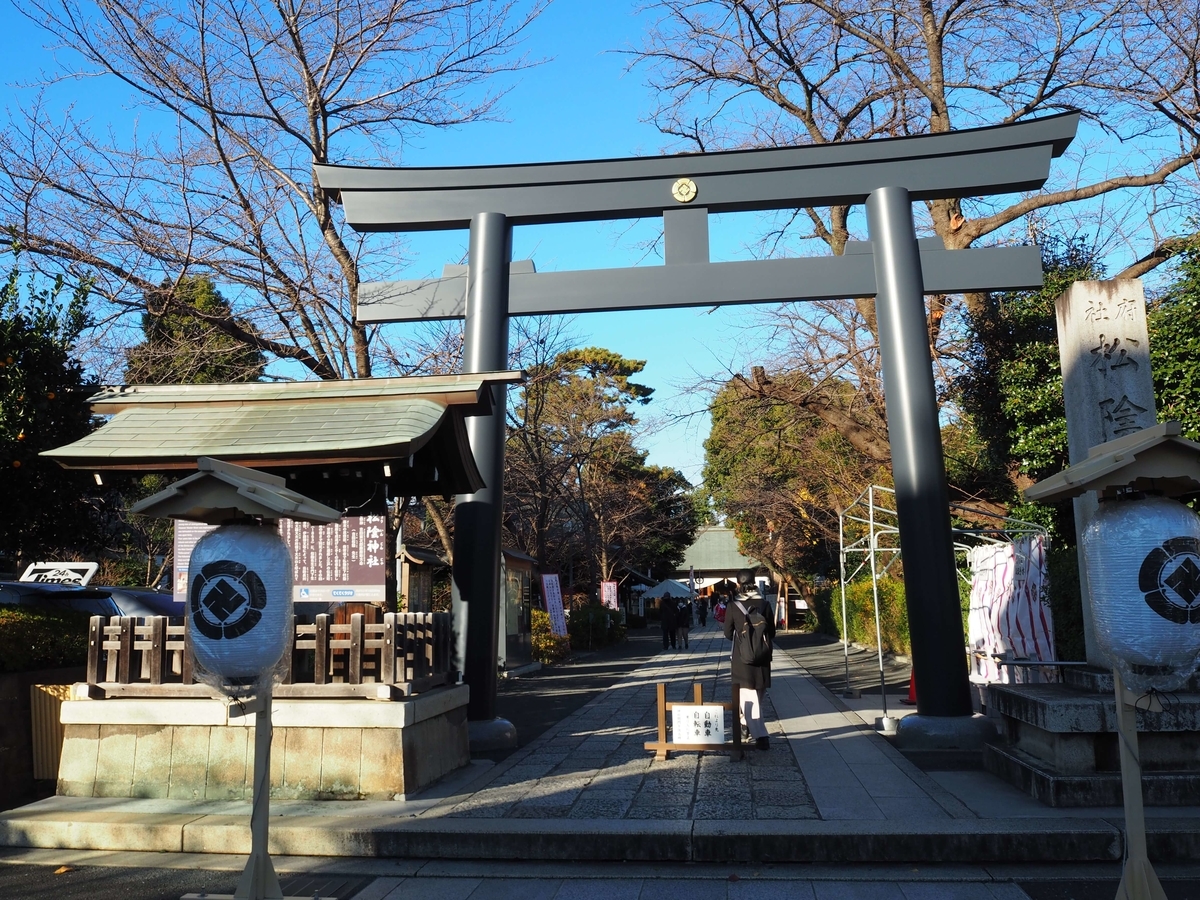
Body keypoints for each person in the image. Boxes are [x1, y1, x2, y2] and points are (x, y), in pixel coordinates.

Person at [723, 588, 776, 750]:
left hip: (742, 658)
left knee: (748, 698)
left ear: (739, 585)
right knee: (757, 696)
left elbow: (727, 633)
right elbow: (772, 632)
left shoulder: (733, 606)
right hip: (762, 658)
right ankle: (745, 726)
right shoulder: (765, 604)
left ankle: (761, 736)